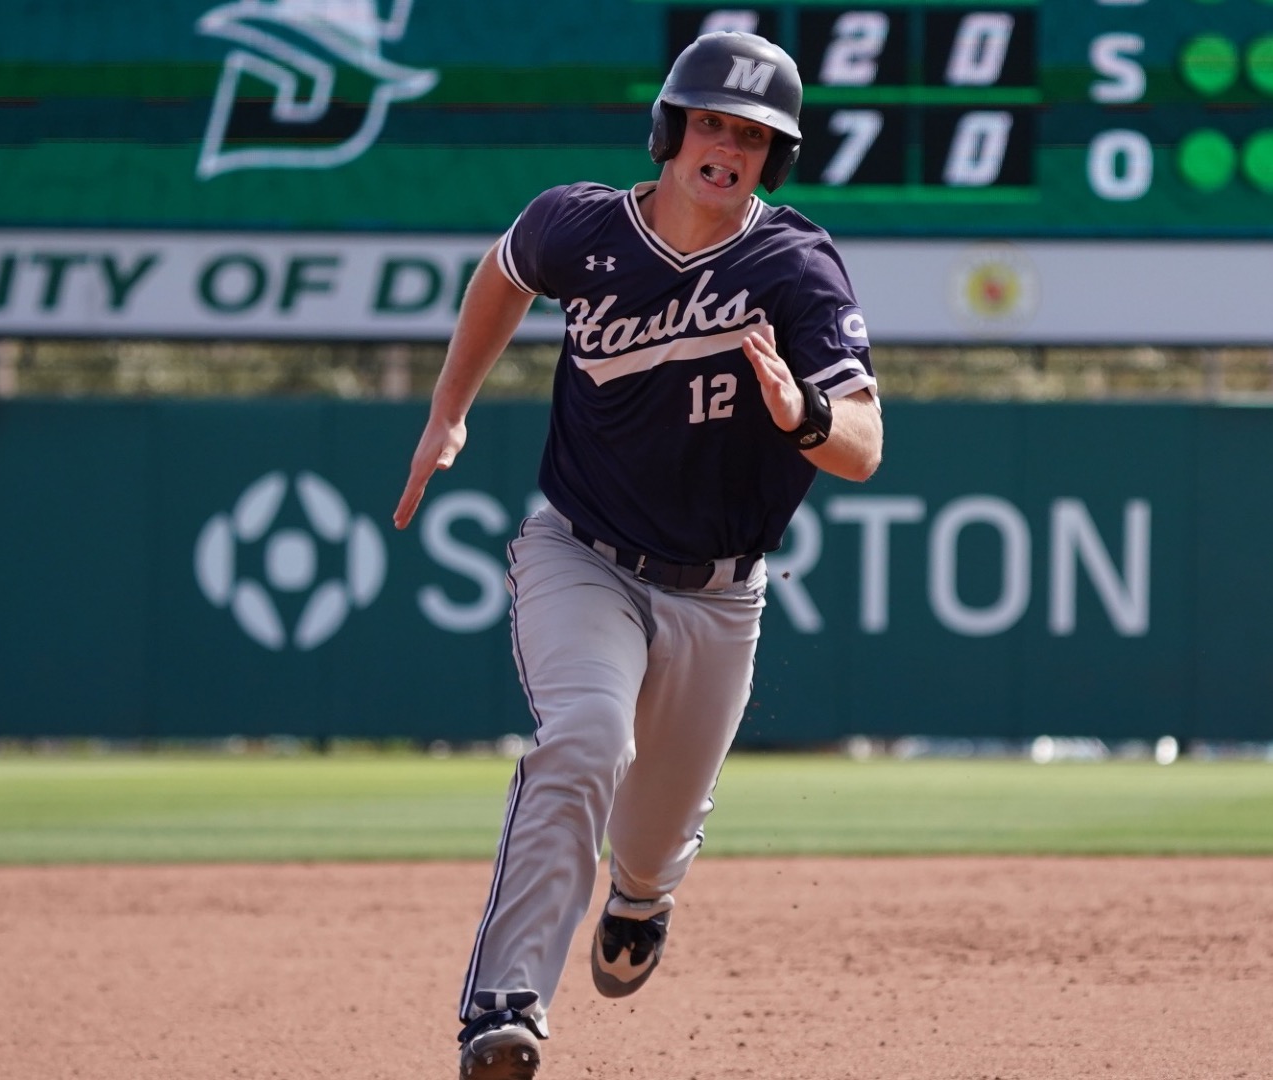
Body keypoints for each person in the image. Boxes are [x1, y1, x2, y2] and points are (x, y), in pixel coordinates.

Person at [390, 31, 882, 1080]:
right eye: (711, 121)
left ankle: (643, 896)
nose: (728, 147)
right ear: (669, 129)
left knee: (652, 844)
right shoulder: (580, 227)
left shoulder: (793, 265)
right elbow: (503, 271)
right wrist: (449, 410)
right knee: (584, 740)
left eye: (753, 136)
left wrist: (802, 416)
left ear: (772, 158)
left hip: (718, 594)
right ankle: (503, 1008)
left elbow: (866, 444)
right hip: (583, 555)